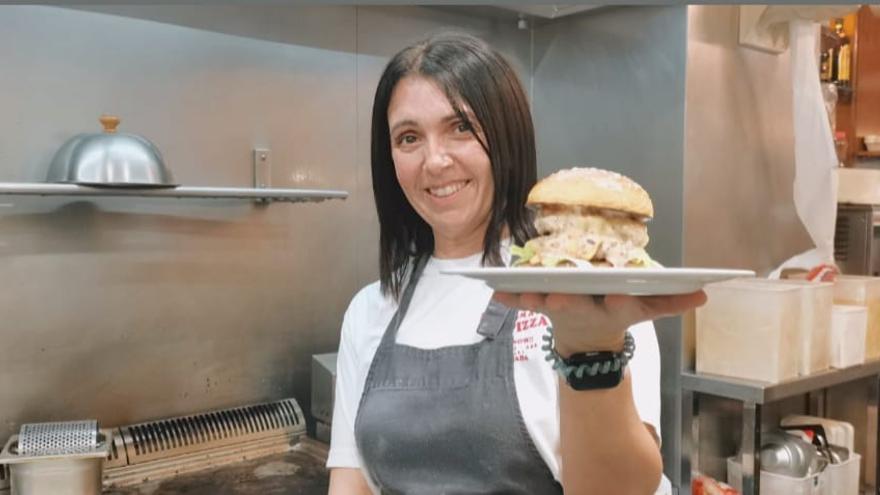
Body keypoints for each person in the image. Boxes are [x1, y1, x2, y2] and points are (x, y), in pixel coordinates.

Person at [326, 32, 706, 495]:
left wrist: (591, 348)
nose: (435, 160)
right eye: (409, 138)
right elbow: (351, 486)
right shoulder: (371, 309)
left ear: (508, 136)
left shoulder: (590, 295)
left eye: (461, 127)